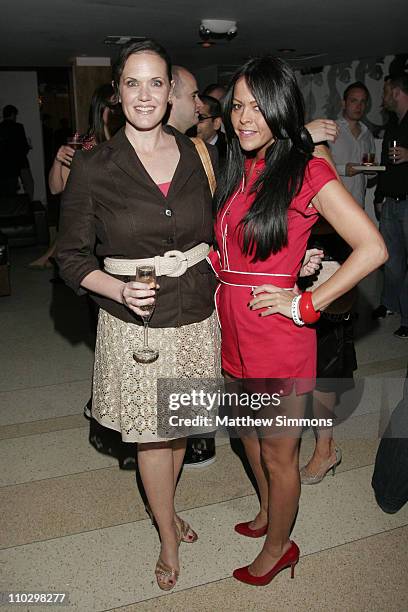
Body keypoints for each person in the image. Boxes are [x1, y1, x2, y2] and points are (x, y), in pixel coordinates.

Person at [210, 55, 387, 586]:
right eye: (238, 105)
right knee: (246, 434)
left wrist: (305, 303)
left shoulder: (306, 168)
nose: (244, 117)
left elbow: (370, 247)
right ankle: (269, 512)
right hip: (233, 326)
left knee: (279, 452)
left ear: (281, 109)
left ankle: (280, 546)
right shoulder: (240, 167)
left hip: (278, 334)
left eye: (258, 107)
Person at [56, 40, 220, 591]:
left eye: (156, 83)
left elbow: (224, 230)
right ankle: (167, 537)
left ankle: (166, 509)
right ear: (117, 91)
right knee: (153, 435)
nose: (145, 95)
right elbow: (72, 257)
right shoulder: (95, 166)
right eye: (133, 82)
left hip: (196, 312)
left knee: (178, 430)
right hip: (136, 325)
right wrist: (118, 289)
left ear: (172, 91)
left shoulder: (199, 153)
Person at [29, 84, 122, 269]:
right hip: (93, 219)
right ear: (100, 108)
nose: (117, 111)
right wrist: (58, 160)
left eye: (119, 106)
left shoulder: (129, 143)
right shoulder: (83, 143)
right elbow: (56, 188)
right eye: (113, 106)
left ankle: (51, 255)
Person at [372, 73, 408, 338]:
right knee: (391, 261)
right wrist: (379, 197)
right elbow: (386, 168)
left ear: (396, 92)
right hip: (392, 205)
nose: (383, 98)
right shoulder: (393, 125)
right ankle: (390, 305)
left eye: (386, 91)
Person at [329, 81, 376, 207]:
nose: (359, 106)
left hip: (358, 205)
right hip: (332, 205)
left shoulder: (368, 135)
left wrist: (372, 170)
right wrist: (344, 169)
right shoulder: (330, 130)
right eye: (354, 101)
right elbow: (317, 166)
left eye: (363, 102)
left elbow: (370, 176)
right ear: (344, 103)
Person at [0, 104, 33, 198]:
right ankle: (28, 206)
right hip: (20, 161)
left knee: (9, 189)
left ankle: (10, 209)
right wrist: (28, 147)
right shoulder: (18, 127)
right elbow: (23, 145)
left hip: (5, 163)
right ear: (12, 114)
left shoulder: (0, 127)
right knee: (29, 184)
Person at [197, 94, 227, 164]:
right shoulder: (181, 145)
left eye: (200, 118)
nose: (194, 122)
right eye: (192, 117)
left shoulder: (227, 153)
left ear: (216, 123)